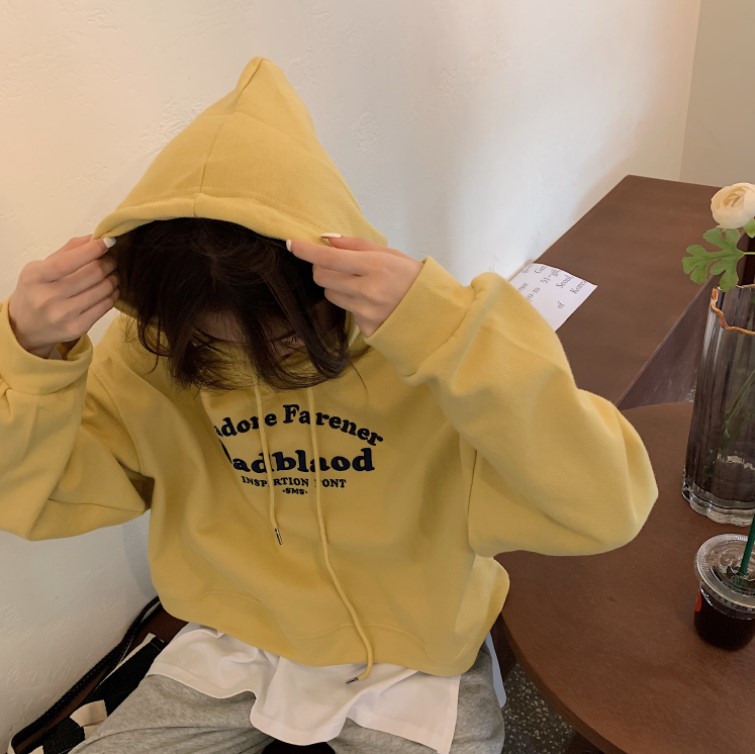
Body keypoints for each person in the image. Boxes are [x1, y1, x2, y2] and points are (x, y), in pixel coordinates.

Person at [0, 57, 658, 754]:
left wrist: (453, 333)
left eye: (282, 338)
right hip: (230, 644)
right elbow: (38, 500)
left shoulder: (432, 357)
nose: (256, 363)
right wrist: (29, 357)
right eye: (214, 344)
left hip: (412, 659)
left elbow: (607, 507)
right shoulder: (151, 356)